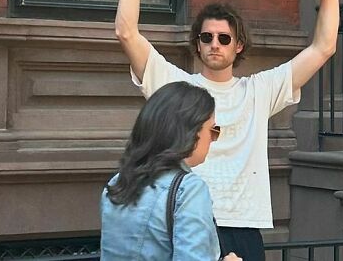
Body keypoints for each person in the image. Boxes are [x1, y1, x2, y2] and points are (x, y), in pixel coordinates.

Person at [115, 0, 343, 261]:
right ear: (197, 42)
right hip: (189, 221)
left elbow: (324, 46)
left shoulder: (258, 91)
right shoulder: (178, 89)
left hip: (243, 226)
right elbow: (126, 32)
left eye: (224, 38)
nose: (214, 44)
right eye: (206, 37)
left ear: (238, 45)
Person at [100, 80, 242, 261]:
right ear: (192, 131)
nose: (213, 139)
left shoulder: (117, 183)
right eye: (213, 130)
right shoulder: (189, 189)